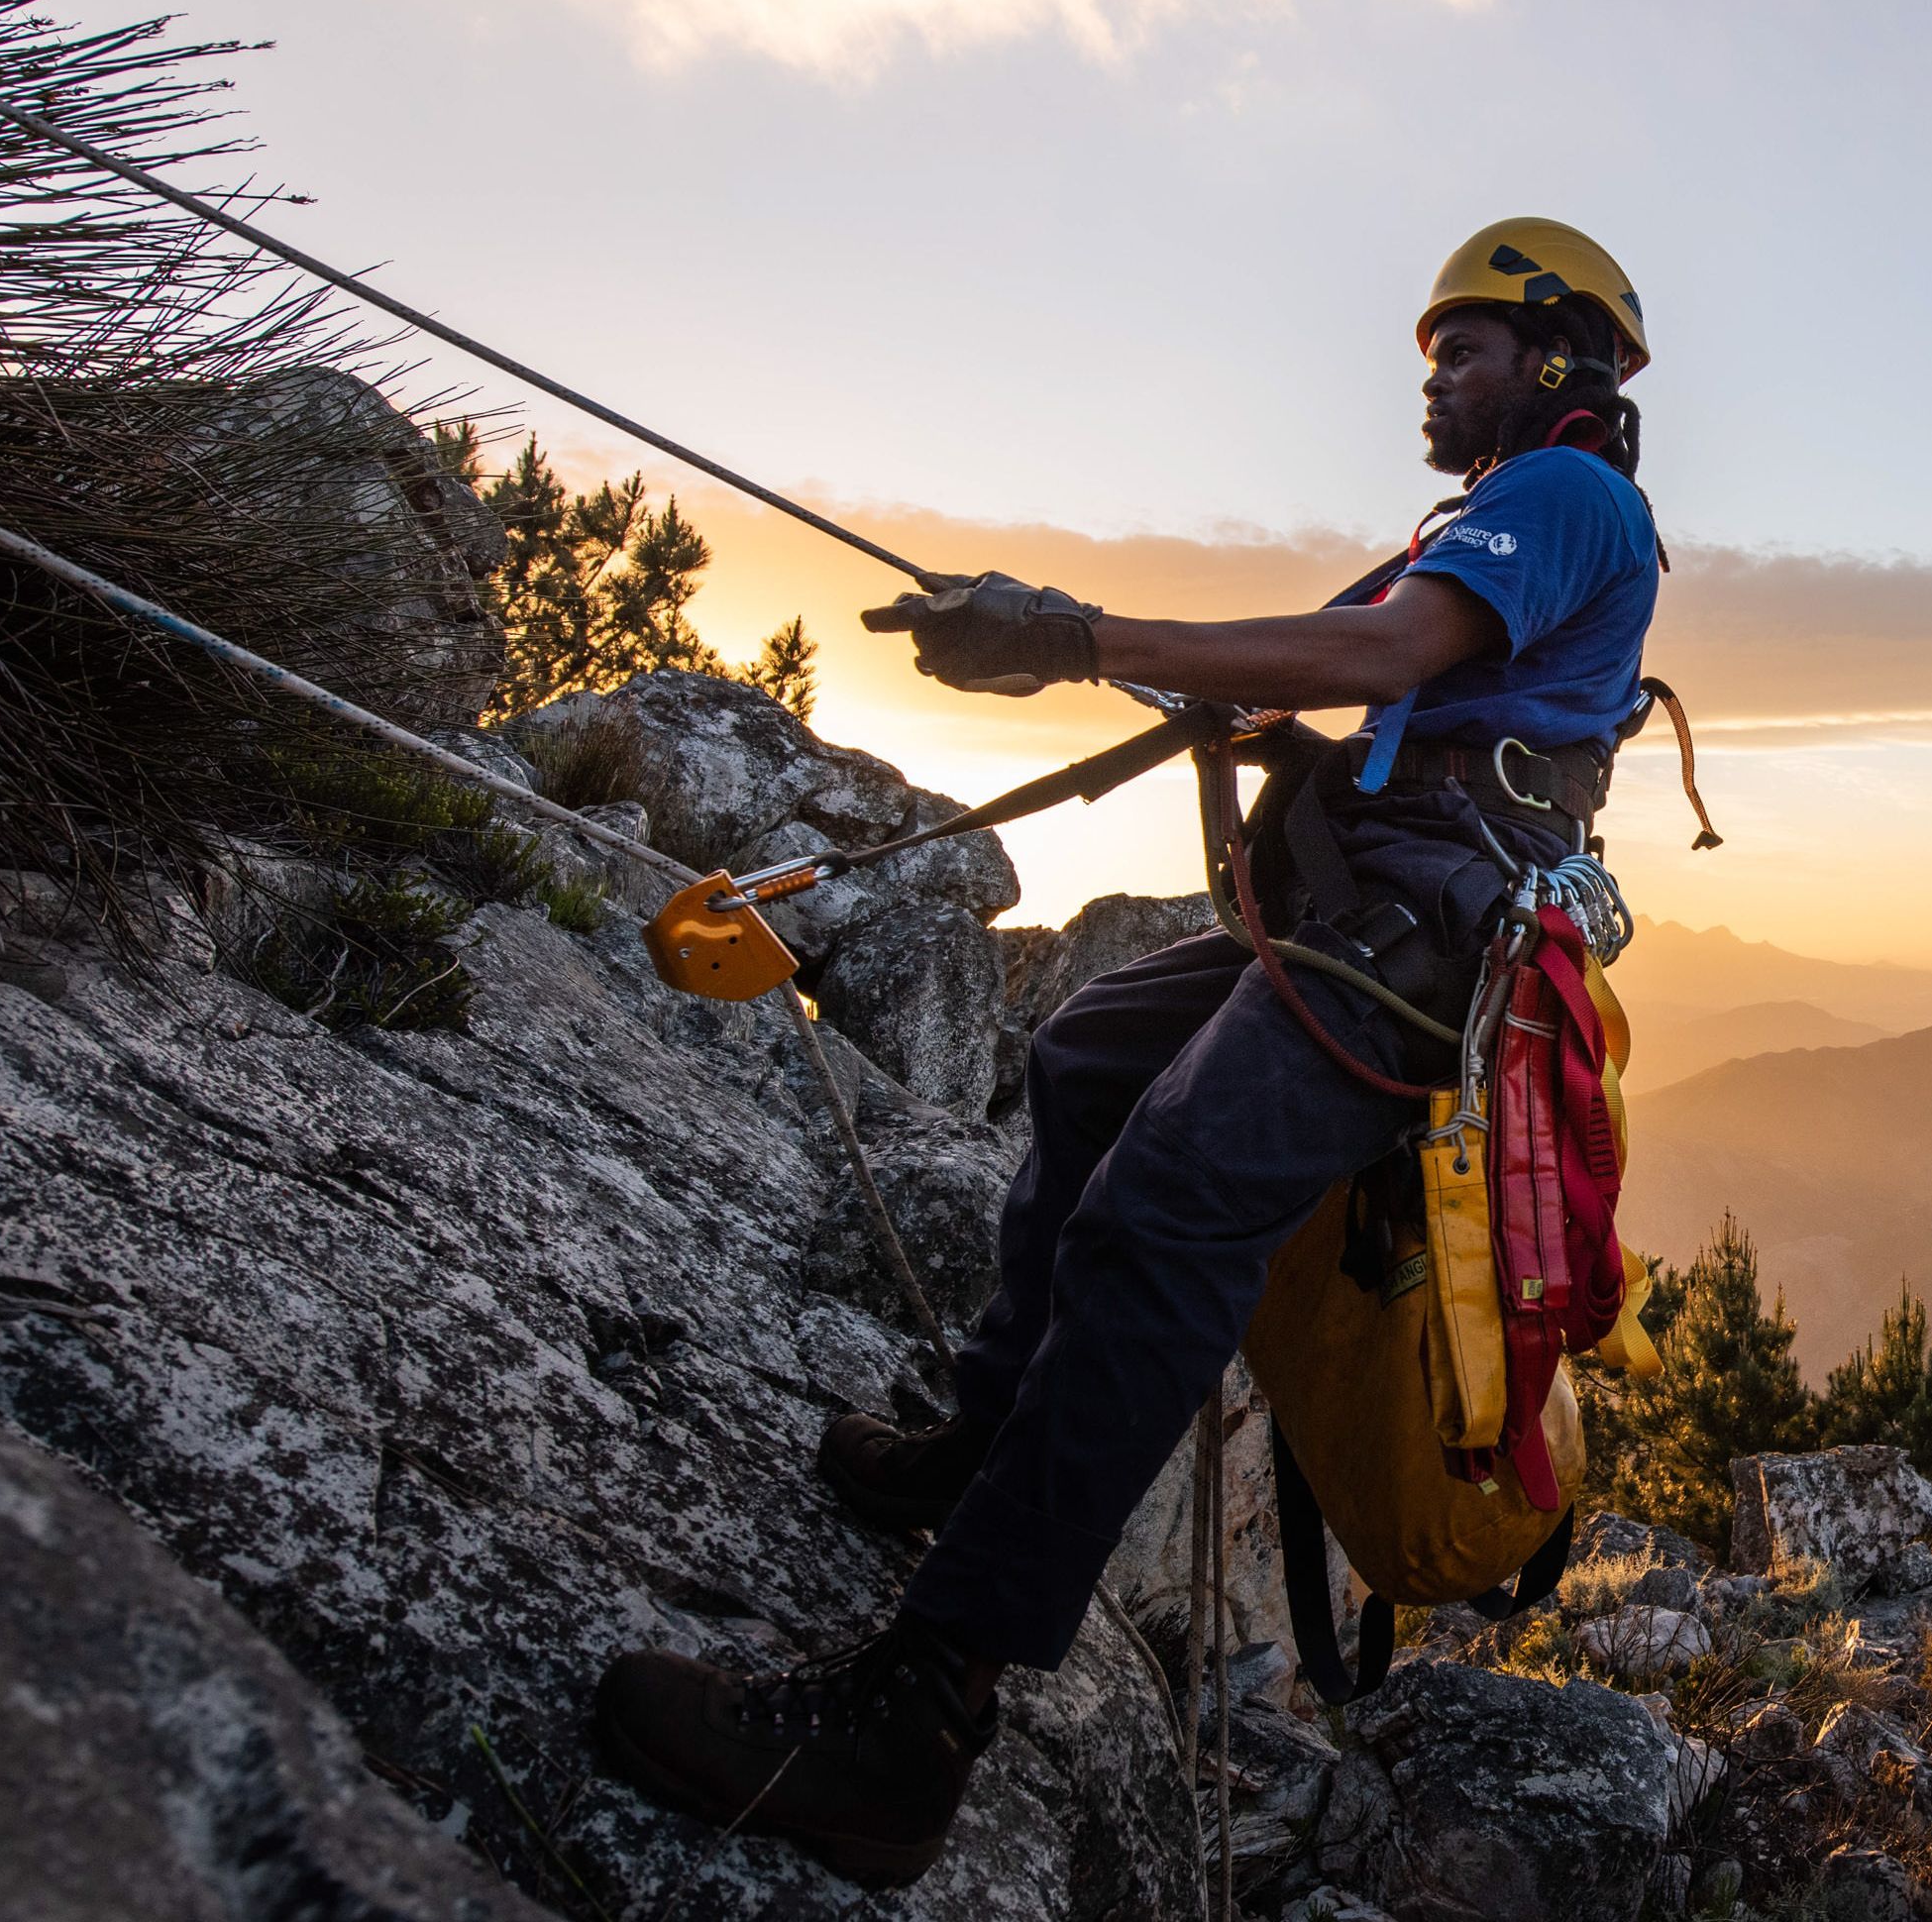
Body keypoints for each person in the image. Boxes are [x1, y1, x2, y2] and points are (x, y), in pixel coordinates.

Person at [590, 220, 1664, 1888]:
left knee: (1163, 1214)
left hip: (1415, 936)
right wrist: (1099, 654)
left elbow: (1377, 660)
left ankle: (919, 1716)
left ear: (1558, 357)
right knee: (1092, 1056)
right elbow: (1324, 661)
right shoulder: (1471, 526)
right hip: (1364, 901)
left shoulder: (1568, 495)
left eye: (1463, 349)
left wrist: (1085, 635)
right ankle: (980, 1445)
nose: (1435, 380)